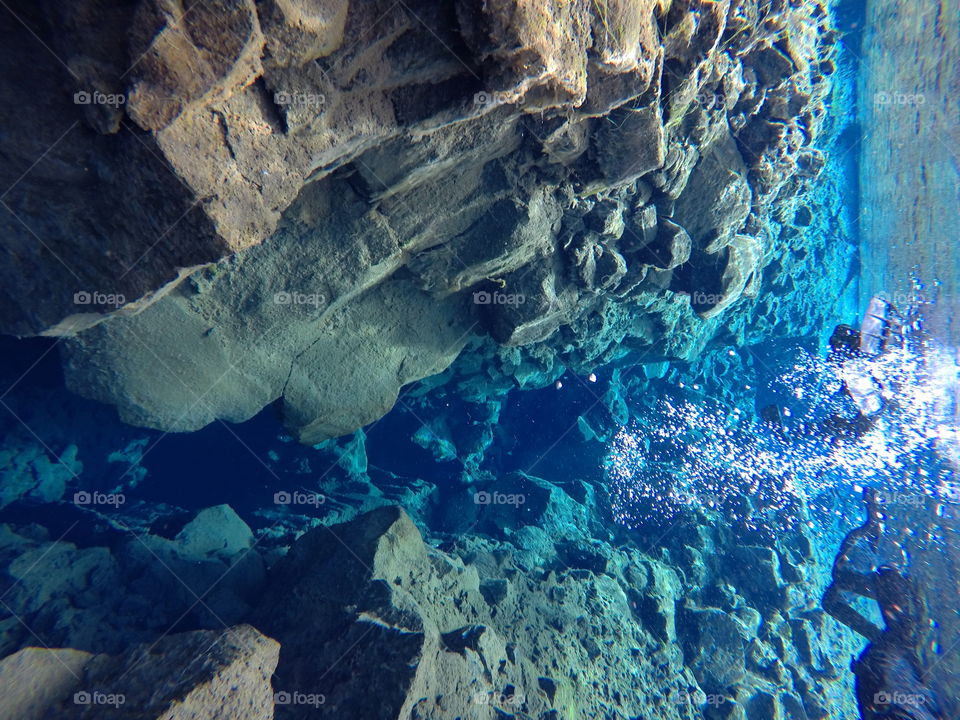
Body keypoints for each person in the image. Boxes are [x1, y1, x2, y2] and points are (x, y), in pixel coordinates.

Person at [823, 488, 945, 720]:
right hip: (888, 653)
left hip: (886, 654)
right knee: (837, 587)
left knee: (835, 591)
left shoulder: (900, 636)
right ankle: (872, 525)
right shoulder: (903, 636)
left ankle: (871, 526)